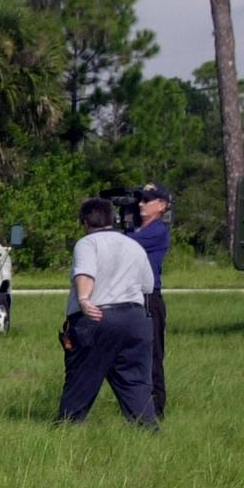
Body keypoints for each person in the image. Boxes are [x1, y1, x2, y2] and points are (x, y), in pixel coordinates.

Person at [57, 197, 158, 428]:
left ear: (84, 222)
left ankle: (66, 429)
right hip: (134, 318)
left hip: (98, 317)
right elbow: (148, 285)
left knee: (82, 378)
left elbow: (85, 271)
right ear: (113, 219)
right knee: (134, 382)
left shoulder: (87, 243)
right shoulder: (134, 245)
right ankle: (148, 429)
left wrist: (83, 299)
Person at [128, 182, 171, 418]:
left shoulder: (157, 232)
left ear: (161, 206)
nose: (141, 204)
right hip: (130, 296)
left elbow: (126, 246)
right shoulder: (134, 229)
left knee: (153, 355)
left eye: (147, 200)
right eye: (139, 200)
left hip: (149, 297)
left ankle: (157, 409)